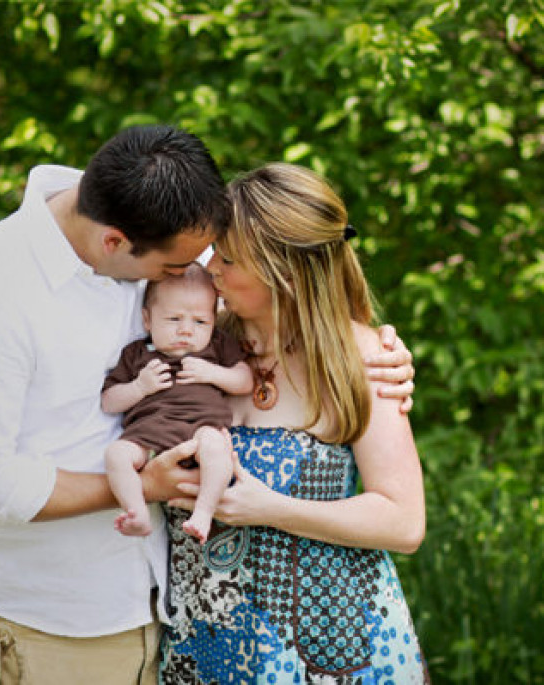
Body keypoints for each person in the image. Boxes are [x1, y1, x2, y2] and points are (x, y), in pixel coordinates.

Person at [0, 122, 414, 685]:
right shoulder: (0, 289)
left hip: (200, 630)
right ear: (115, 243)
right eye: (180, 270)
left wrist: (377, 354)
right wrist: (142, 487)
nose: (200, 276)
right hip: (56, 627)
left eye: (214, 260)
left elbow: (291, 262)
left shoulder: (157, 228)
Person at [0, 124, 232, 685]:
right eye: (168, 272)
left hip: (155, 615)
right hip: (42, 627)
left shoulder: (153, 214)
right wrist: (144, 487)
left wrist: (366, 347)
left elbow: (260, 288)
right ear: (113, 242)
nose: (185, 277)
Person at [160, 163, 429, 683]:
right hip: (205, 644)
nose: (211, 266)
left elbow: (403, 521)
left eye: (230, 258)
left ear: (282, 271)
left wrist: (272, 509)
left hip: (330, 651)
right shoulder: (198, 336)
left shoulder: (360, 359)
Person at [102, 263, 253, 542]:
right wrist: (139, 387)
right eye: (173, 319)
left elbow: (245, 380)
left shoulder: (216, 346)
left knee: (217, 448)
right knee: (117, 455)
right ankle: (136, 513)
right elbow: (109, 402)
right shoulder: (137, 353)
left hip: (201, 430)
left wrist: (214, 373)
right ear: (147, 320)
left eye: (200, 322)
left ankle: (204, 512)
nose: (186, 330)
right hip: (147, 437)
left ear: (213, 321)